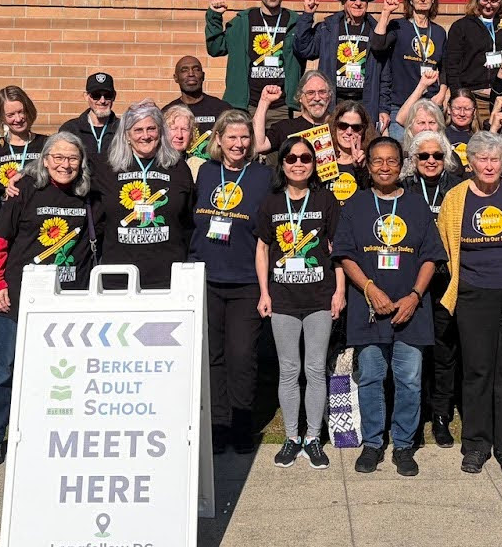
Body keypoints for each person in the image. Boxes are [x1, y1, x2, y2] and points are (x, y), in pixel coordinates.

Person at [332, 137, 446, 478]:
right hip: (369, 309)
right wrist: (369, 288)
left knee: (409, 380)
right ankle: (372, 443)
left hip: (410, 309)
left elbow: (431, 257)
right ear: (368, 166)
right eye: (378, 161)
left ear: (402, 165)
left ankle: (405, 444)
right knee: (370, 377)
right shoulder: (355, 205)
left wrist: (414, 296)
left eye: (391, 161)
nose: (384, 167)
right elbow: (346, 254)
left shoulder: (415, 206)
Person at [0, 132, 95, 466]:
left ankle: (50, 431)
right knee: (5, 369)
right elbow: (1, 240)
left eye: (72, 158)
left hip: (68, 300)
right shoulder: (26, 188)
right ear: (45, 160)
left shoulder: (87, 194)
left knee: (60, 371)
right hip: (17, 298)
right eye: (58, 157)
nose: (65, 164)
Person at [437, 132, 502, 475]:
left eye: (495, 159)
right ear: (470, 163)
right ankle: (476, 444)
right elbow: (446, 246)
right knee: (478, 372)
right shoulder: (455, 200)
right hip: (472, 294)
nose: (488, 165)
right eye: (482, 159)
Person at [189, 110, 274, 454]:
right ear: (219, 141)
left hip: (245, 279)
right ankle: (218, 425)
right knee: (213, 356)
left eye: (244, 138)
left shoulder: (262, 176)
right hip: (206, 276)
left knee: (242, 355)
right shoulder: (204, 172)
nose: (239, 144)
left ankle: (242, 425)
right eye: (232, 137)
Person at [256, 136, 345, 469]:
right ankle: (292, 437)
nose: (298, 163)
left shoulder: (326, 200)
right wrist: (264, 293)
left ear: (314, 163)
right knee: (289, 370)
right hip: (282, 299)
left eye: (305, 158)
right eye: (291, 158)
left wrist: (340, 292)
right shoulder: (271, 203)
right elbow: (263, 249)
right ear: (282, 164)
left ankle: (313, 437)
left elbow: (338, 251)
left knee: (315, 370)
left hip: (320, 297)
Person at [93, 100, 195, 289]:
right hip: (118, 276)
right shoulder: (106, 167)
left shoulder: (177, 167)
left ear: (160, 132)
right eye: (138, 130)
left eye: (151, 129)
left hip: (168, 277)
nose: (146, 136)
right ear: (126, 135)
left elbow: (188, 219)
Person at [402, 129, 461, 448]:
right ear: (413, 159)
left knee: (444, 351)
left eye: (437, 155)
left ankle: (441, 415)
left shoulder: (456, 188)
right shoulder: (404, 188)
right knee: (411, 352)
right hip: (411, 280)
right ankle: (414, 414)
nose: (430, 161)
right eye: (423, 155)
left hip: (446, 279)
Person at [205, 0, 305, 118]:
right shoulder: (244, 21)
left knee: (280, 142)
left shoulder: (294, 22)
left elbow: (308, 49)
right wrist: (214, 17)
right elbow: (216, 48)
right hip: (247, 106)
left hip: (280, 106)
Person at [293, 0, 390, 125]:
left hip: (365, 102)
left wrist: (383, 108)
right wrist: (307, 16)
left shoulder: (377, 31)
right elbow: (304, 49)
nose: (358, 3)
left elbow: (385, 74)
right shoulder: (328, 28)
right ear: (343, 1)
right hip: (333, 103)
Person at [379, 0, 449, 138]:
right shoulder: (398, 26)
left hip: (430, 104)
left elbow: (444, 66)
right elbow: (378, 46)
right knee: (401, 155)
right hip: (401, 103)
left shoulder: (439, 32)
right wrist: (385, 14)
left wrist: (442, 92)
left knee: (428, 153)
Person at [0, 86, 46, 188]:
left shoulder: (46, 144)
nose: (18, 119)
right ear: (1, 117)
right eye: (11, 115)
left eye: (21, 112)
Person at [255, 71, 334, 154]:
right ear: (300, 97)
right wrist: (264, 101)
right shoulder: (286, 128)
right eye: (310, 93)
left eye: (322, 92)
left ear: (329, 96)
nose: (317, 98)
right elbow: (259, 146)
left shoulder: (341, 126)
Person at [164, 55, 232, 146]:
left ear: (203, 76)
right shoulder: (167, 112)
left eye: (196, 69)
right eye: (184, 70)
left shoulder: (222, 109)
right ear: (176, 78)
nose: (191, 74)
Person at [61, 72, 119, 160]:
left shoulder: (123, 129)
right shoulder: (70, 129)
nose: (102, 101)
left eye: (107, 95)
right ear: (86, 96)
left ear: (114, 96)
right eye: (96, 95)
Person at [327, 100, 375, 205]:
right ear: (334, 126)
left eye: (356, 127)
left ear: (364, 130)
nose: (349, 132)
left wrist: (361, 170)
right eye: (343, 126)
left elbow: (372, 197)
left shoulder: (372, 159)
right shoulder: (323, 157)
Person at [163, 103, 207, 178]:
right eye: (174, 129)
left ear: (191, 134)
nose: (179, 135)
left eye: (184, 129)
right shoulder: (156, 163)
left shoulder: (199, 166)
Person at [442, 90, 478, 166]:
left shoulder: (480, 138)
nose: (462, 114)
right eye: (457, 108)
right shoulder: (441, 136)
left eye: (467, 109)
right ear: (449, 109)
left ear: (474, 111)